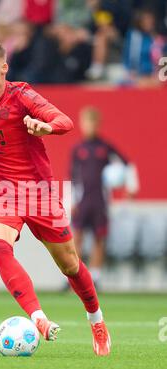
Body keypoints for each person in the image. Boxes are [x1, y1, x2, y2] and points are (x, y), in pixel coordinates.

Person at [0, 40, 111, 356]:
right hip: (0, 194)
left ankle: (96, 320)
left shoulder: (21, 96)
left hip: (39, 193)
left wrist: (45, 126)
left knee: (71, 266)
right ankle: (38, 317)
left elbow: (65, 122)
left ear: (3, 69)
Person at [70, 106, 129, 287]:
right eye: (87, 123)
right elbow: (72, 177)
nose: (90, 127)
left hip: (100, 201)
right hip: (82, 200)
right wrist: (72, 200)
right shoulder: (78, 149)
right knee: (76, 237)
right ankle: (75, 278)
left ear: (98, 124)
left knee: (98, 238)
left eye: (93, 123)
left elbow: (125, 164)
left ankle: (95, 277)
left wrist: (129, 186)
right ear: (82, 124)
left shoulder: (105, 147)